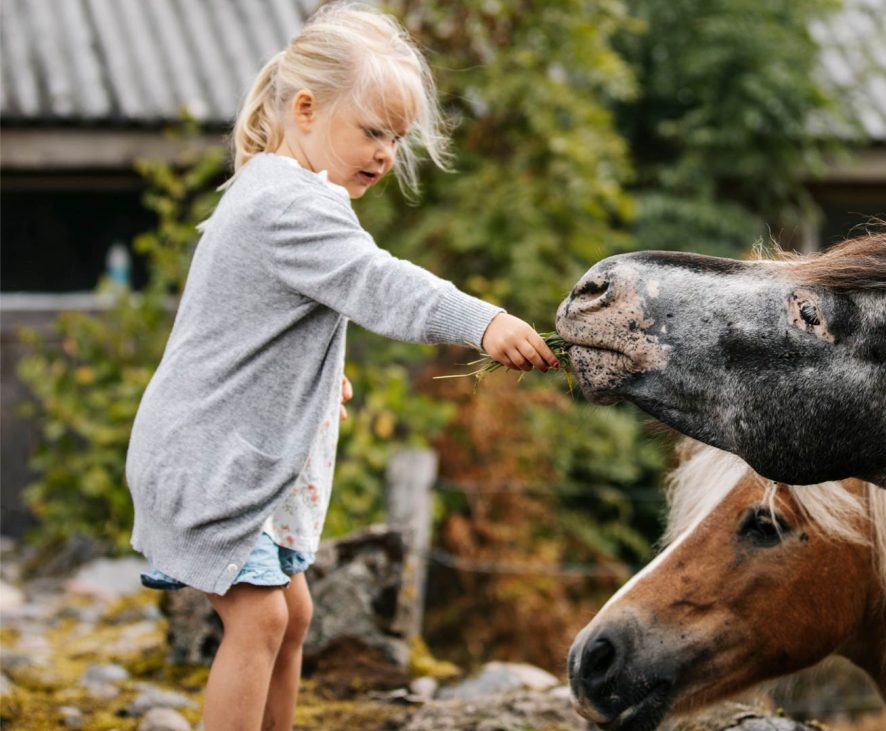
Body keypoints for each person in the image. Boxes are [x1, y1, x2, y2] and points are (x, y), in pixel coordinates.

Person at [124, 4, 559, 729]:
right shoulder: (288, 205)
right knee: (260, 620)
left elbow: (245, 326)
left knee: (292, 615)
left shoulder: (276, 189)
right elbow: (380, 283)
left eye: (395, 138)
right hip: (206, 457)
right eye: (372, 130)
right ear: (305, 108)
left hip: (212, 442)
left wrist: (316, 376)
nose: (386, 152)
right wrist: (483, 320)